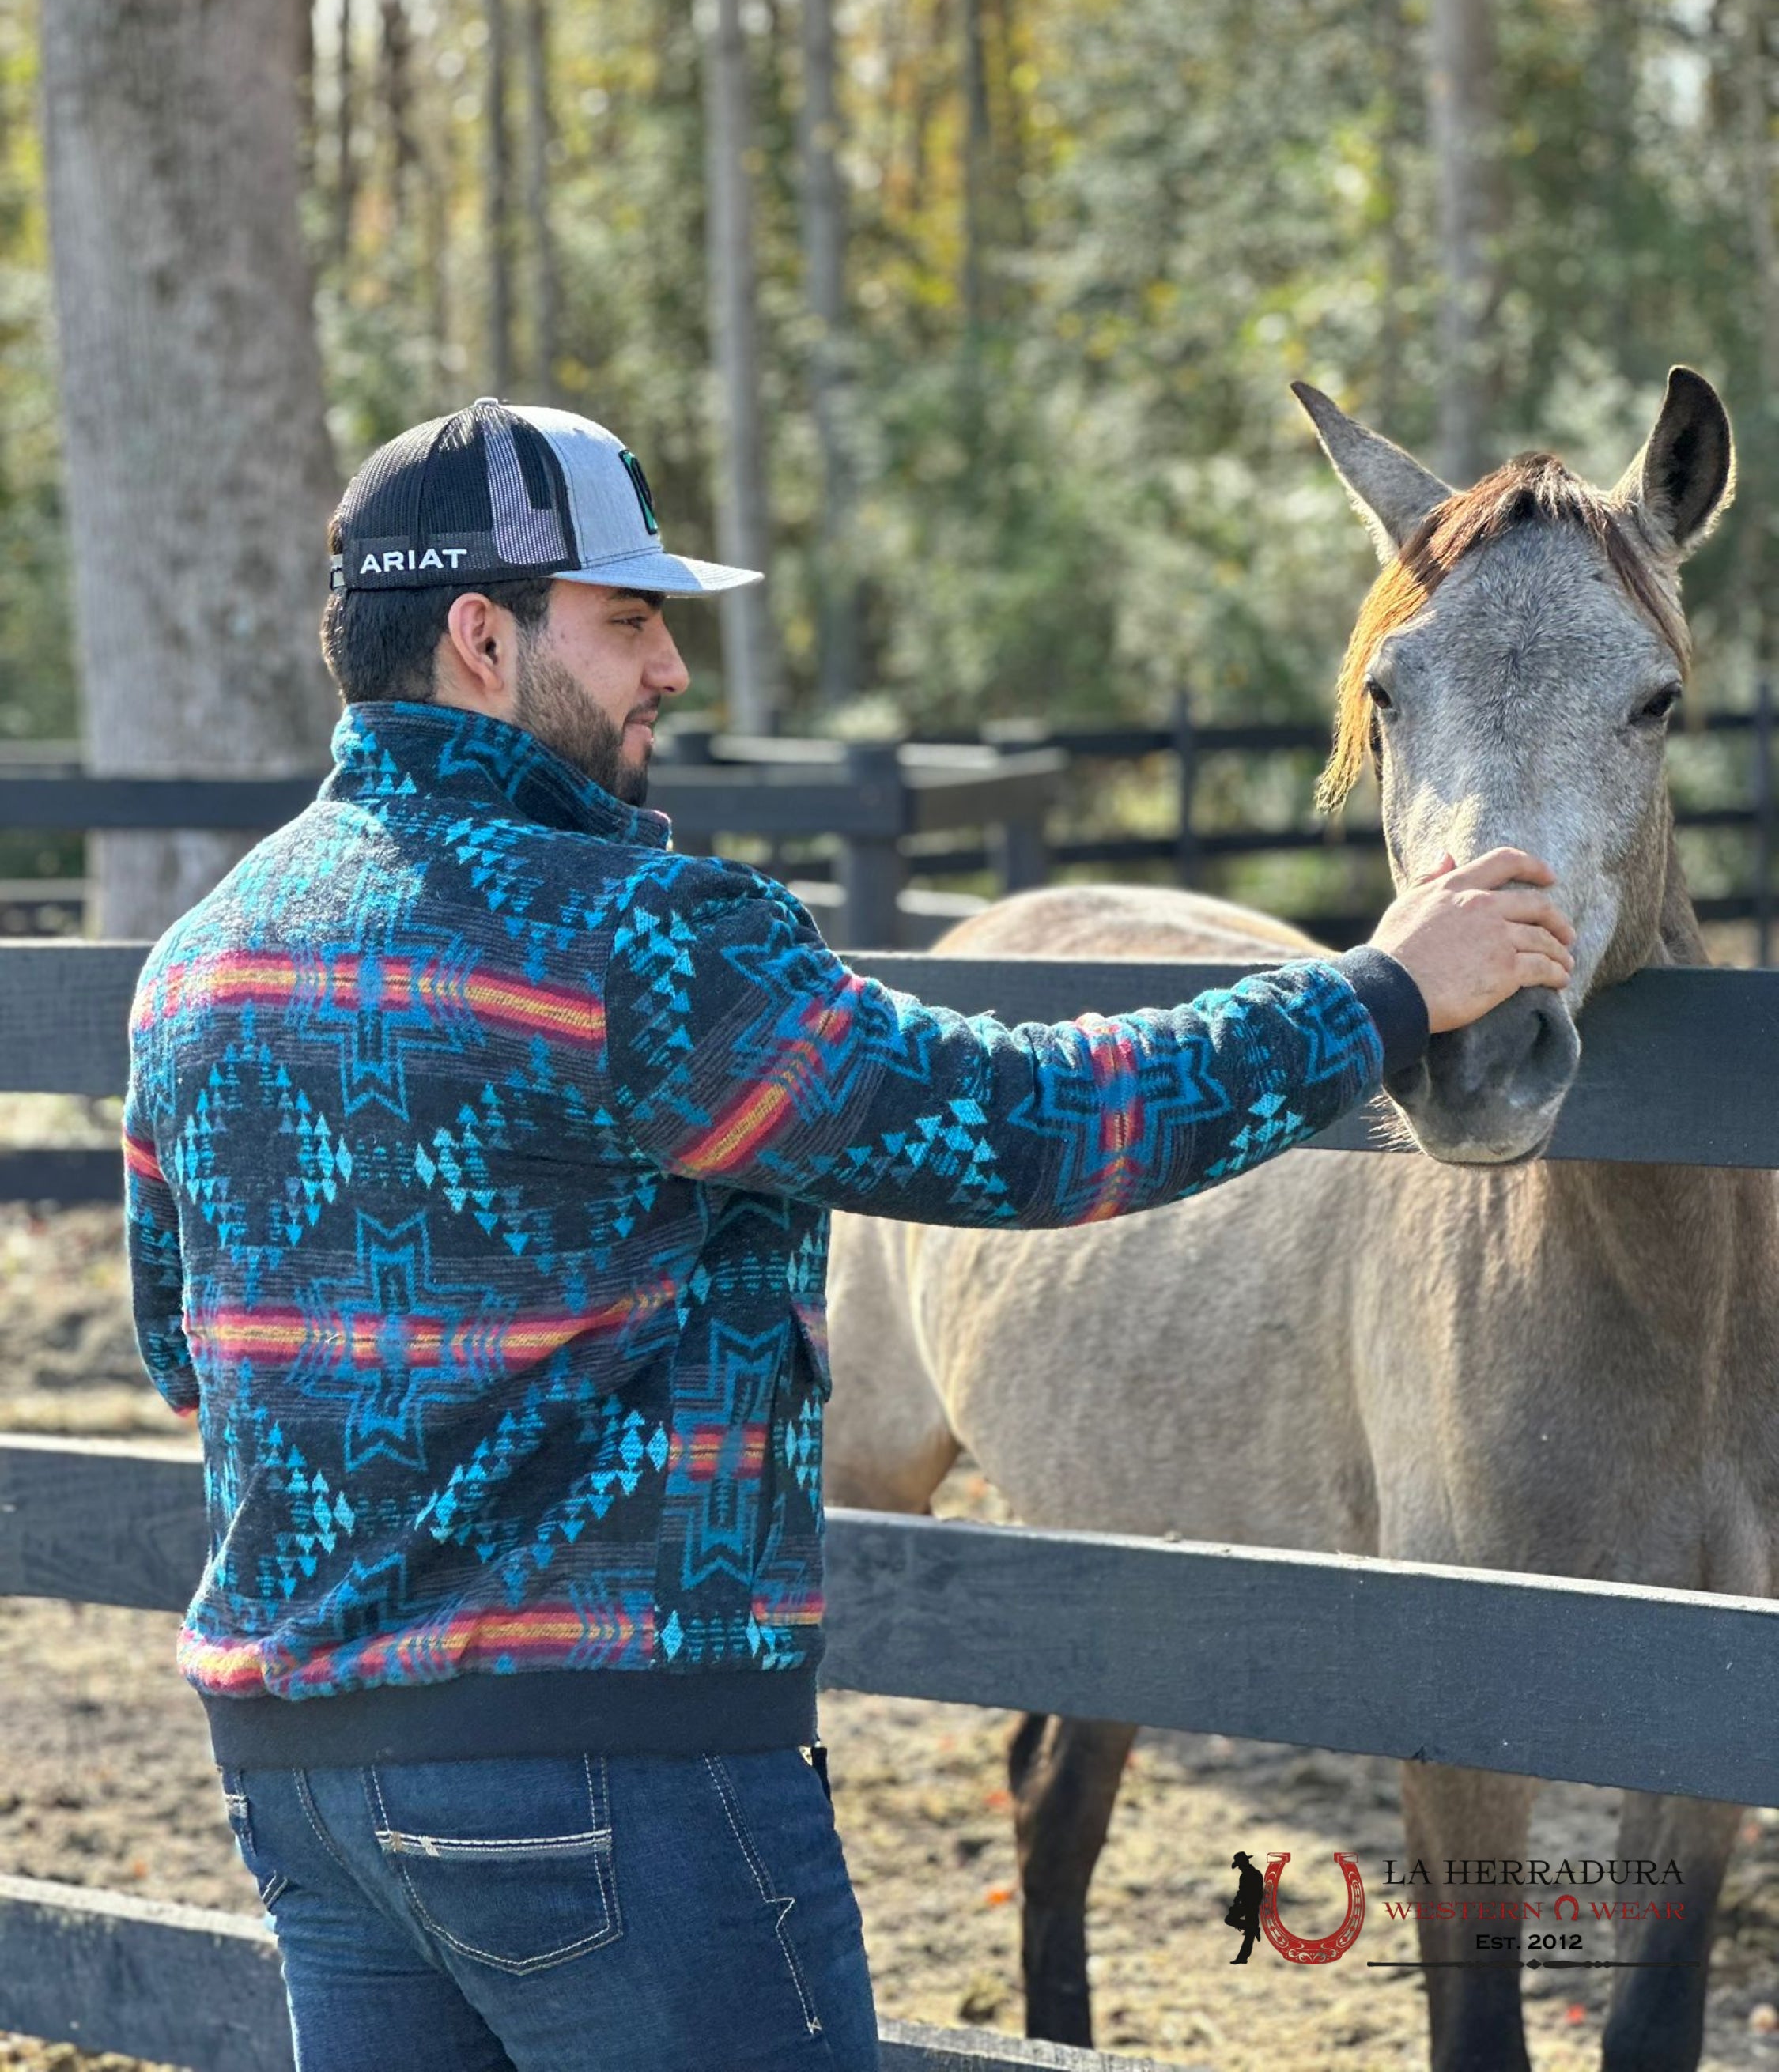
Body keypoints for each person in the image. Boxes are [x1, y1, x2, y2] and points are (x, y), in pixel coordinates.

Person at [123, 394, 1575, 2072]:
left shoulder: (205, 959)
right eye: (629, 621)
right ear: (477, 636)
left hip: (306, 1786)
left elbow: (188, 1361)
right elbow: (1034, 1128)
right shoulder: (641, 942)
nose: (668, 670)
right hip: (618, 1782)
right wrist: (1383, 994)